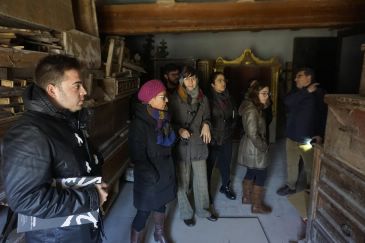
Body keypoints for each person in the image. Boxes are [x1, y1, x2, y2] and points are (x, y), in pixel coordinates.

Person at [1, 54, 108, 243]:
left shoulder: (66, 119)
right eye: (77, 85)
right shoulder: (30, 133)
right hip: (57, 236)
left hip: (80, 226)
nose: (84, 91)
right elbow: (25, 199)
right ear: (52, 90)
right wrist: (91, 199)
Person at [128, 79, 177, 243]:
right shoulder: (139, 124)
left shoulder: (163, 117)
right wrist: (152, 177)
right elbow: (137, 156)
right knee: (143, 212)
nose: (167, 100)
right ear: (151, 100)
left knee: (161, 204)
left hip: (164, 172)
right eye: (163, 97)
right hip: (150, 177)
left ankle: (159, 233)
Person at [169, 65, 217, 227]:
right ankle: (186, 213)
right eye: (186, 78)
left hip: (198, 144)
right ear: (182, 80)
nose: (190, 81)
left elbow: (208, 117)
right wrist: (179, 129)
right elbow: (167, 123)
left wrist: (206, 124)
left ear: (197, 79)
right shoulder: (173, 98)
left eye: (193, 77)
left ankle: (203, 210)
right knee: (182, 182)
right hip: (181, 145)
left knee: (202, 180)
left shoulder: (204, 98)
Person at [277, 67, 327, 196]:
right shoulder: (296, 92)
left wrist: (320, 134)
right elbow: (287, 102)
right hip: (291, 136)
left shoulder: (319, 93)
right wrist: (306, 92)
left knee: (310, 166)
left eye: (299, 76)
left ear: (308, 77)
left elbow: (323, 115)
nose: (295, 79)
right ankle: (291, 186)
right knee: (291, 164)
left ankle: (311, 189)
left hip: (307, 139)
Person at [237, 81, 272, 214]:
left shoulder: (254, 106)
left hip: (250, 145)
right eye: (263, 93)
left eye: (268, 93)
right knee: (262, 174)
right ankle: (257, 206)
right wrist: (263, 147)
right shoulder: (252, 110)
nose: (267, 96)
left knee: (251, 171)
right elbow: (253, 133)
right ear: (255, 94)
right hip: (255, 146)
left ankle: (246, 198)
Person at [206, 72, 237, 201]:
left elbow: (234, 115)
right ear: (213, 84)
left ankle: (225, 186)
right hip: (212, 138)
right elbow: (204, 119)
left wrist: (232, 126)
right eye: (219, 80)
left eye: (224, 80)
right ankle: (206, 192)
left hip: (226, 136)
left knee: (226, 163)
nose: (223, 83)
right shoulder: (207, 99)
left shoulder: (229, 97)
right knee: (209, 166)